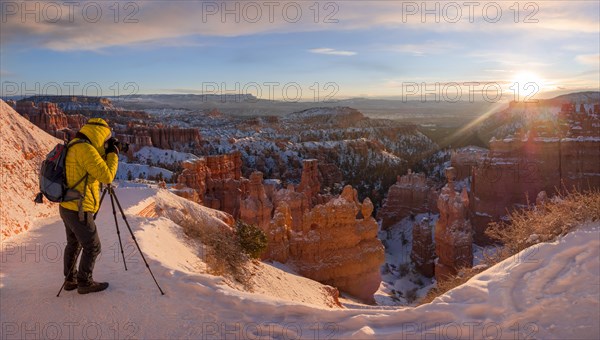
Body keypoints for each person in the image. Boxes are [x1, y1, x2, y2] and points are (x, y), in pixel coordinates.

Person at [60, 118, 122, 294]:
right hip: (80, 208)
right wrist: (113, 154)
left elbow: (91, 167)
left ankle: (70, 280)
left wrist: (106, 152)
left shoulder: (75, 144)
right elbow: (107, 176)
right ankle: (84, 282)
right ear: (100, 135)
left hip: (67, 206)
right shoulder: (86, 149)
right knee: (93, 246)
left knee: (74, 244)